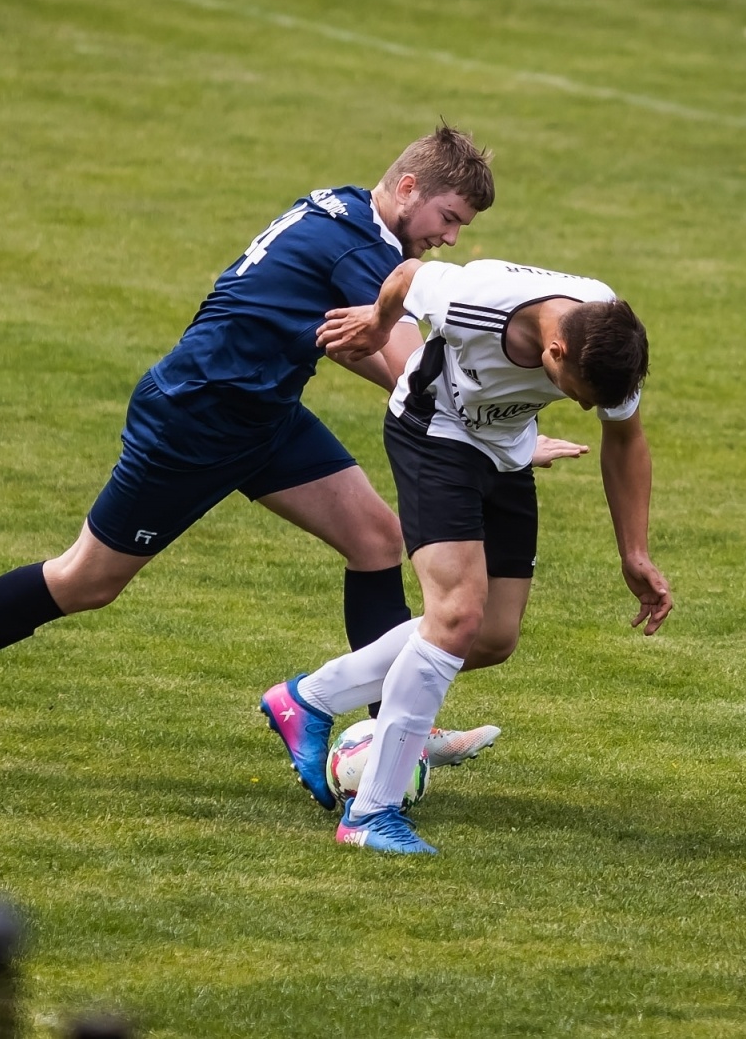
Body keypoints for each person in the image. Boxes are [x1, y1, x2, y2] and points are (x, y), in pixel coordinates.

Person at [0, 127, 507, 779]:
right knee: (86, 581)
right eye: (448, 217)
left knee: (375, 539)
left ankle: (397, 732)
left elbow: (354, 345)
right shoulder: (360, 250)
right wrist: (494, 427)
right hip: (194, 420)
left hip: (263, 413)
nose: (450, 236)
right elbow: (403, 365)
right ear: (407, 188)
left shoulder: (342, 206)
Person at [261, 256, 673, 855]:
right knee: (455, 616)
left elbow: (626, 439)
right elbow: (406, 275)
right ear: (555, 352)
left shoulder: (606, 335)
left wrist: (633, 550)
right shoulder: (474, 300)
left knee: (492, 637)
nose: (585, 408)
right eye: (579, 396)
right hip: (435, 437)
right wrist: (379, 327)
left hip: (507, 450)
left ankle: (307, 699)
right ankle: (371, 814)